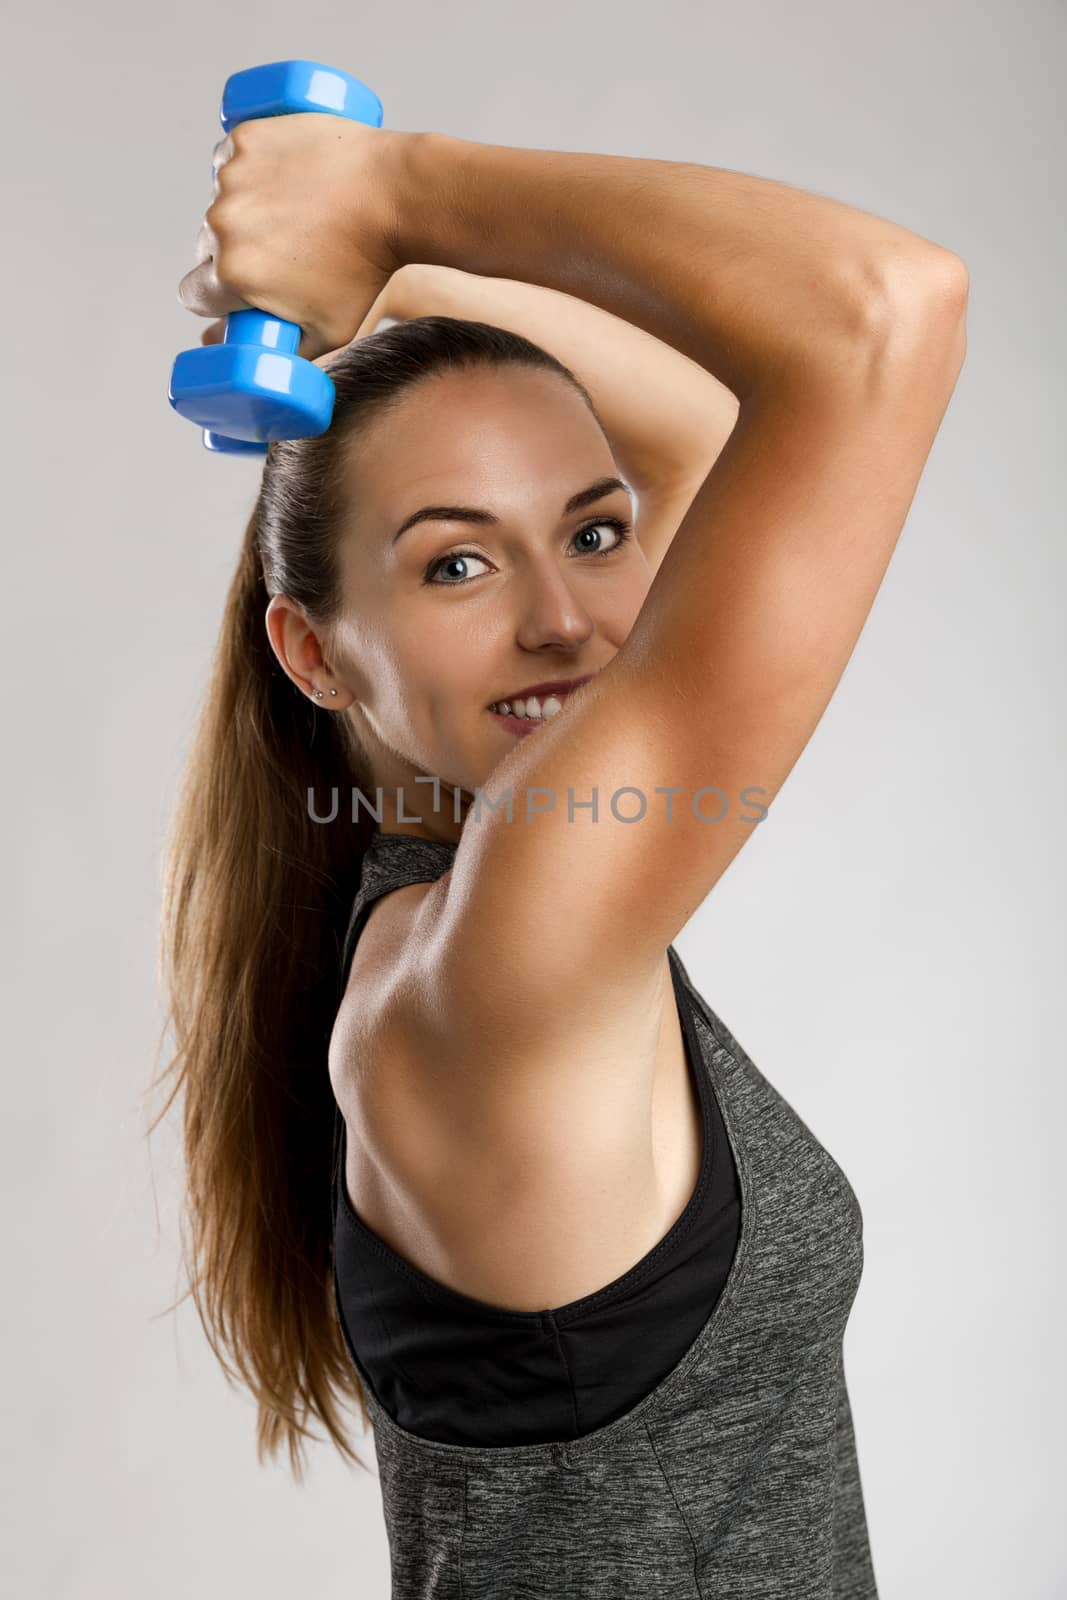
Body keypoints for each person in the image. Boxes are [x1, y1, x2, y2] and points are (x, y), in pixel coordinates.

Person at [159, 116, 968, 1597]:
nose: (568, 621)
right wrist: (390, 194)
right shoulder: (502, 967)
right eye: (456, 561)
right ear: (314, 653)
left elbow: (718, 446)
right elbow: (878, 315)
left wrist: (394, 284)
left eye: (596, 536)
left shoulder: (459, 928)